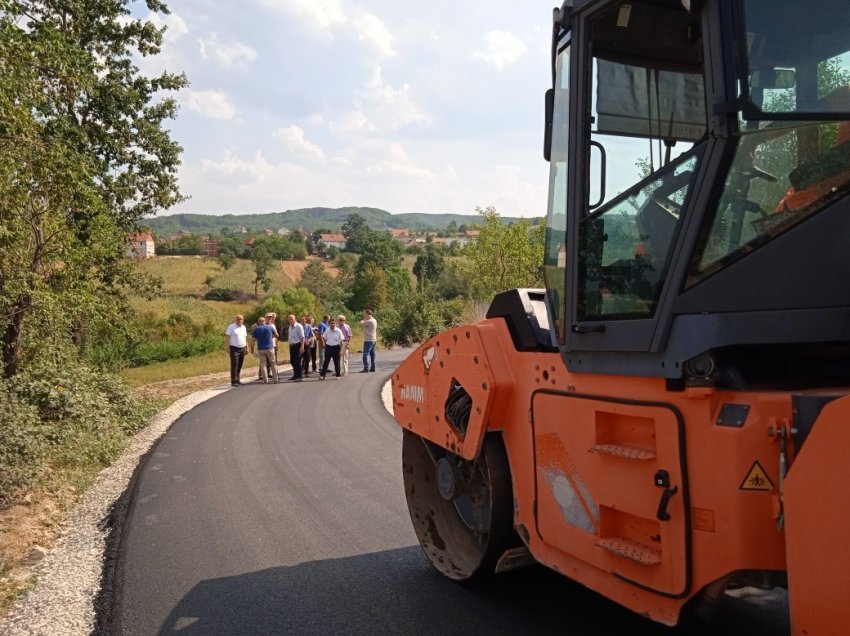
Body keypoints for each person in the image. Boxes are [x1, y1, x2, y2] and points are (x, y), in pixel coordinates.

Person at [251, 316, 278, 384]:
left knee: (263, 364)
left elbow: (253, 340)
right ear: (264, 321)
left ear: (258, 322)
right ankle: (275, 379)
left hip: (261, 349)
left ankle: (265, 380)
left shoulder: (256, 329)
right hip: (270, 348)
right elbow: (277, 335)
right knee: (273, 363)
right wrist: (272, 336)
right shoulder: (270, 327)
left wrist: (252, 348)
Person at [224, 314, 247, 386]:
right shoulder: (231, 327)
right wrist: (228, 346)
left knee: (240, 364)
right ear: (236, 320)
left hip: (242, 348)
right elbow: (227, 336)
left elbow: (245, 338)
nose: (240, 321)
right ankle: (233, 381)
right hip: (234, 348)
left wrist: (247, 347)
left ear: (243, 320)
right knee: (234, 365)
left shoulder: (243, 327)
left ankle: (238, 379)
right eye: (238, 319)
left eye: (241, 319)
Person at [286, 313, 305, 381]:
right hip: (291, 346)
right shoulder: (290, 327)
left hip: (298, 345)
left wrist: (302, 347)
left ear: (295, 319)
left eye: (292, 319)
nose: (290, 320)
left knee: (297, 361)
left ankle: (299, 377)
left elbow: (302, 337)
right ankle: (295, 374)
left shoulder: (299, 326)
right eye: (289, 319)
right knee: (292, 361)